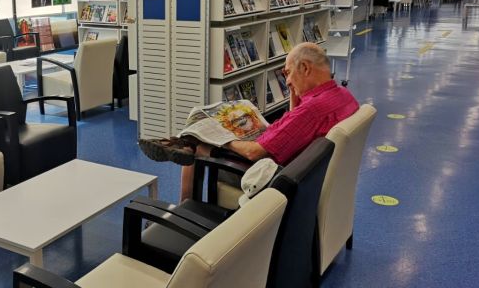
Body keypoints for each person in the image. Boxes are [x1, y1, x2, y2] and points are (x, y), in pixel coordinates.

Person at [139, 42, 359, 201]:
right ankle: (181, 143)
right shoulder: (343, 96)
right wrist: (294, 93)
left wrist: (222, 140)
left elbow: (255, 153)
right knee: (202, 137)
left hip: (267, 175)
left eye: (289, 73)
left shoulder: (312, 110)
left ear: (305, 68)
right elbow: (298, 123)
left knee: (200, 145)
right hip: (305, 172)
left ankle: (185, 199)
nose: (288, 80)